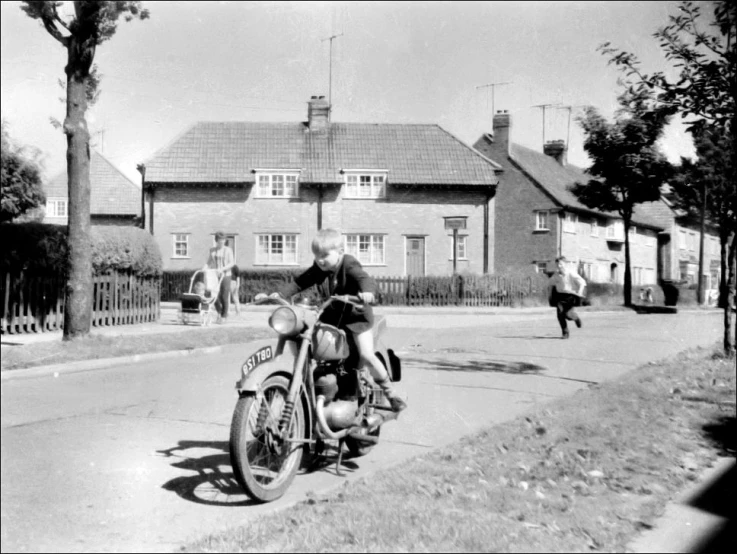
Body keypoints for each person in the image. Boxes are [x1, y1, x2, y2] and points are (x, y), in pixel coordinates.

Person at [271, 228, 407, 413]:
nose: (320, 260)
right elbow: (300, 282)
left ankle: (391, 394)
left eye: (325, 255)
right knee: (313, 346)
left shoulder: (348, 264)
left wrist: (367, 293)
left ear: (340, 252)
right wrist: (280, 294)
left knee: (366, 354)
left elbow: (364, 278)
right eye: (317, 255)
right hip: (334, 317)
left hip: (356, 317)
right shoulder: (320, 268)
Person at [548, 256, 586, 339]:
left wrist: (580, 292)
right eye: (557, 264)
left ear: (565, 264)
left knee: (568, 315)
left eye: (561, 264)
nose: (559, 266)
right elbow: (551, 284)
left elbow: (582, 282)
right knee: (560, 315)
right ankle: (565, 333)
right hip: (560, 296)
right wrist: (550, 295)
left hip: (570, 296)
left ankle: (576, 318)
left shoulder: (570, 273)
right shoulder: (556, 275)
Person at [202, 231, 234, 324]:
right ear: (217, 240)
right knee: (214, 295)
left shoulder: (228, 250)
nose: (222, 241)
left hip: (226, 275)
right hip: (215, 275)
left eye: (223, 239)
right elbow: (209, 262)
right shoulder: (212, 250)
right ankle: (219, 312)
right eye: (220, 240)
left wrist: (223, 269)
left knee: (224, 296)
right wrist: (204, 268)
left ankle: (224, 316)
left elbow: (232, 263)